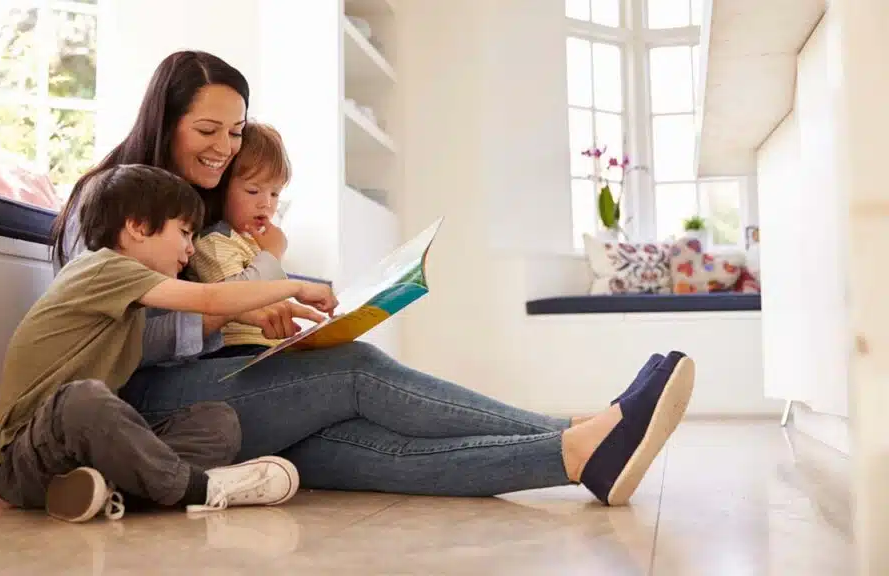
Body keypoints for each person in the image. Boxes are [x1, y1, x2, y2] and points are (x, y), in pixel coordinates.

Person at [50, 50, 696, 507]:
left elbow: (217, 305)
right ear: (164, 122)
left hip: (207, 397)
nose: (224, 146)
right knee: (356, 370)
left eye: (236, 131)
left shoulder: (201, 209)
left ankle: (576, 453)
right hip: (135, 408)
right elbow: (121, 344)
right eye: (207, 130)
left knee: (364, 449)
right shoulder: (109, 202)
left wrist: (270, 314)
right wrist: (237, 308)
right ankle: (579, 428)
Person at [0, 164, 339, 523]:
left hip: (85, 459)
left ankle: (107, 490)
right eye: (184, 233)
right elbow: (210, 299)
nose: (190, 249)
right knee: (82, 399)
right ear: (137, 226)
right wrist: (295, 286)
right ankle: (201, 489)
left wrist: (249, 313)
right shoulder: (103, 268)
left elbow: (198, 315)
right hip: (28, 461)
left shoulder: (125, 304)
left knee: (217, 421)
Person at [186, 121, 292, 358]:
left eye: (275, 193)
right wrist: (272, 254)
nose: (266, 203)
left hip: (263, 346)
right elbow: (233, 296)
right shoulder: (214, 240)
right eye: (253, 191)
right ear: (221, 189)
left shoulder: (252, 243)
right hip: (232, 351)